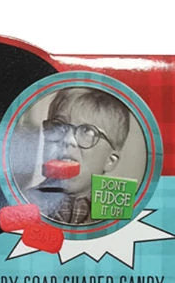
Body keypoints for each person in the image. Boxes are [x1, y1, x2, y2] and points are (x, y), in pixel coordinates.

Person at [31, 88, 133, 225]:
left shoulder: (118, 213)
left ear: (110, 160)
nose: (68, 139)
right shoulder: (25, 201)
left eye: (87, 131)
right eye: (58, 126)